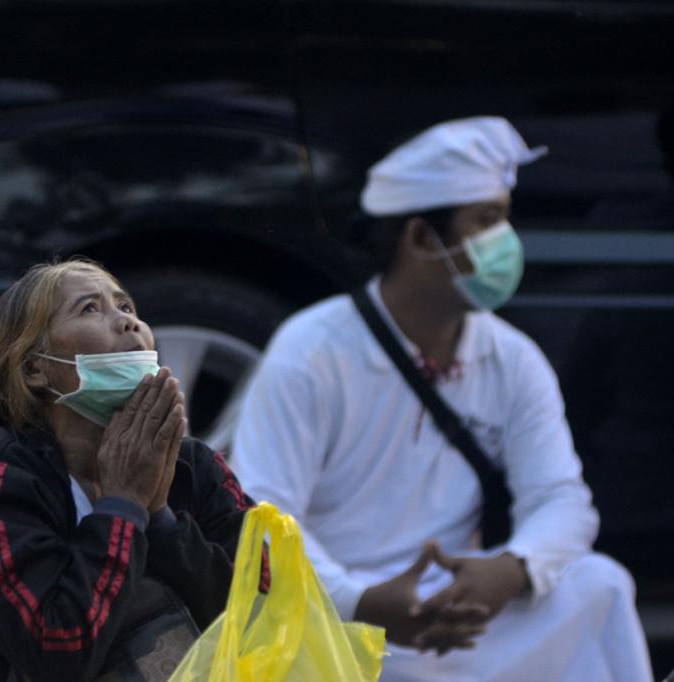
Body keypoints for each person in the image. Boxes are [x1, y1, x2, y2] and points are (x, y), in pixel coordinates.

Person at [231, 117, 654, 681]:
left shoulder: (512, 357)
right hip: (340, 615)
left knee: (599, 584)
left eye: (504, 217)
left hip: (458, 612)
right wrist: (360, 601)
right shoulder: (310, 352)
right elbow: (262, 518)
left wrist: (512, 568)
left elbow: (561, 498)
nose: (506, 241)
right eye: (487, 221)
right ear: (422, 239)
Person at [0, 258, 261, 682]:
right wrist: (123, 506)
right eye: (90, 309)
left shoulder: (195, 465)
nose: (127, 324)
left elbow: (266, 615)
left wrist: (162, 521)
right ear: (33, 369)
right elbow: (58, 650)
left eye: (127, 307)